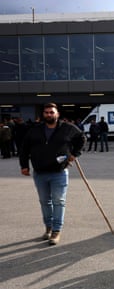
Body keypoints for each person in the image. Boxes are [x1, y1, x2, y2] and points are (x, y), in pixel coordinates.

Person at [19, 102, 86, 245]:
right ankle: (48, 228)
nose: (49, 114)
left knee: (58, 201)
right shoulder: (35, 130)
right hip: (40, 173)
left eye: (52, 112)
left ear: (57, 114)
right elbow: (24, 148)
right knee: (44, 202)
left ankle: (56, 231)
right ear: (43, 114)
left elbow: (81, 138)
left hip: (59, 172)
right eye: (46, 112)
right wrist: (24, 165)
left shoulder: (67, 128)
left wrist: (74, 154)